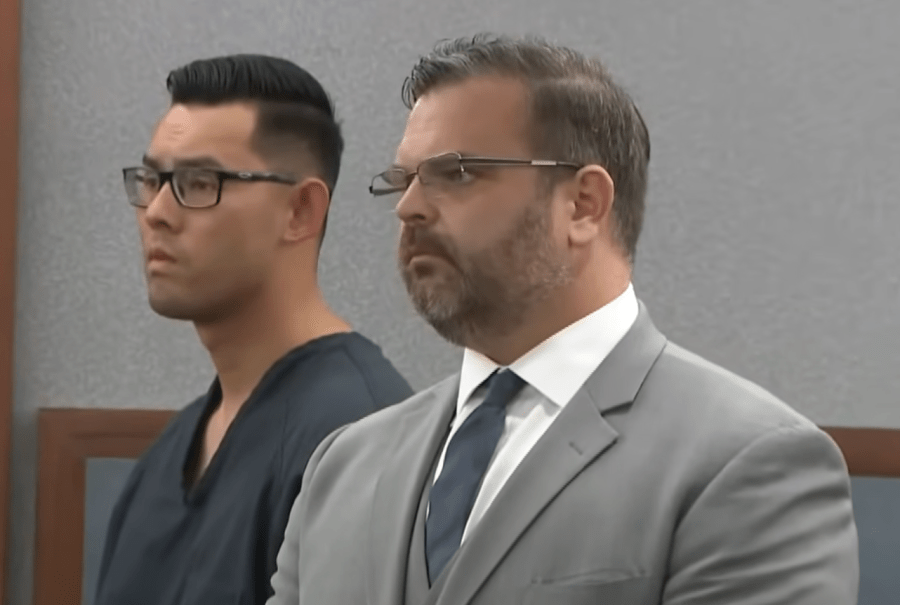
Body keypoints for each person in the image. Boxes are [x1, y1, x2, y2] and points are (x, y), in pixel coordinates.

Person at [266, 34, 859, 605]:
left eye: (458, 172)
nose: (409, 206)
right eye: (404, 178)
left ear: (583, 204)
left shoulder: (746, 462)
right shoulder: (342, 466)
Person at [93, 54, 413, 605]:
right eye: (151, 180)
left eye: (199, 182)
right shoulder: (169, 452)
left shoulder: (357, 439)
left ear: (300, 211)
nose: (157, 212)